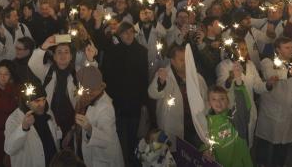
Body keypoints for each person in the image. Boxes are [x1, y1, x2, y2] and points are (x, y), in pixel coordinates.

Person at [102, 21, 149, 163]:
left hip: (134, 102)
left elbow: (144, 78)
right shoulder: (112, 51)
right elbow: (107, 76)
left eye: (131, 32)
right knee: (120, 136)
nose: (128, 35)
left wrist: (143, 102)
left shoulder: (142, 51)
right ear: (119, 34)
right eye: (125, 32)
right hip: (118, 103)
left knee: (133, 135)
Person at [215, 38, 277, 146]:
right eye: (239, 49)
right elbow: (221, 88)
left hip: (248, 108)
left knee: (247, 142)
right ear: (232, 50)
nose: (242, 51)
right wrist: (230, 78)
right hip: (232, 110)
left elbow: (257, 86)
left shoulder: (250, 65)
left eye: (244, 49)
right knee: (233, 143)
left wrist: (268, 84)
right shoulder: (224, 66)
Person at [256, 37, 292, 167]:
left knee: (283, 145)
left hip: (291, 113)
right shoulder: (268, 62)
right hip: (273, 112)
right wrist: (288, 73)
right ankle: (261, 164)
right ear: (278, 49)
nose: (291, 50)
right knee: (265, 142)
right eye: (287, 47)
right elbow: (270, 74)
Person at [148, 44, 207, 150]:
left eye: (187, 59)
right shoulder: (164, 75)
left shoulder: (198, 78)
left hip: (194, 128)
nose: (185, 63)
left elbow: (205, 101)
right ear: (172, 61)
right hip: (172, 125)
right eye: (181, 60)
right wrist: (161, 83)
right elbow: (152, 93)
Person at [73, 66, 124, 167]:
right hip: (85, 152)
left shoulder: (106, 108)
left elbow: (107, 139)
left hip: (101, 159)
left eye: (87, 90)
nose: (84, 93)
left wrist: (89, 129)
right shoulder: (87, 98)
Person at [4, 81, 61, 167]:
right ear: (27, 102)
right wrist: (23, 128)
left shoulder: (48, 112)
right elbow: (9, 149)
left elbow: (55, 136)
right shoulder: (14, 119)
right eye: (37, 101)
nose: (42, 104)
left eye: (44, 99)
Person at [201, 86, 253, 167]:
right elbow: (205, 140)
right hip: (220, 163)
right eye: (214, 99)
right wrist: (205, 150)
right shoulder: (206, 122)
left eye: (222, 98)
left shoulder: (234, 118)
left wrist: (239, 86)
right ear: (209, 103)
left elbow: (245, 106)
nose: (218, 102)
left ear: (228, 101)